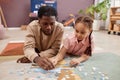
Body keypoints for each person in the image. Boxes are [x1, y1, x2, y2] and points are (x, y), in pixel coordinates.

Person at [17, 6, 64, 70]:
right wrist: (36, 58)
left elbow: (55, 49)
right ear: (39, 21)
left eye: (52, 24)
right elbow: (28, 47)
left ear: (56, 20)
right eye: (45, 24)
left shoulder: (60, 28)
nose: (49, 27)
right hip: (36, 49)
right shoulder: (32, 26)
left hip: (42, 52)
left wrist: (36, 57)